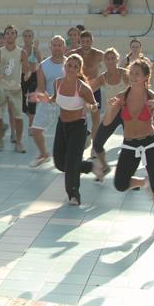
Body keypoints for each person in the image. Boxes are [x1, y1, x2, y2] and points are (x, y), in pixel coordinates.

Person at [102, 60, 154, 234]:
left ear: (146, 77)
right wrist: (112, 108)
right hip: (130, 145)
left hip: (150, 143)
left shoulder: (153, 97)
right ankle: (144, 182)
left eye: (137, 74)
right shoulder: (122, 97)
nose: (133, 77)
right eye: (131, 73)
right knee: (120, 184)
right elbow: (107, 122)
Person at [40, 53, 97, 206]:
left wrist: (91, 106)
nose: (71, 68)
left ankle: (74, 194)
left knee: (71, 163)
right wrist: (47, 99)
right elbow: (55, 99)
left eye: (75, 66)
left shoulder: (83, 88)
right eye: (69, 65)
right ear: (64, 67)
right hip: (62, 124)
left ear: (79, 70)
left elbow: (94, 105)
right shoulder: (57, 83)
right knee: (59, 163)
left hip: (78, 126)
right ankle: (90, 166)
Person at [89, 48, 129, 177]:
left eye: (113, 58)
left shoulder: (125, 74)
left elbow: (137, 88)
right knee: (97, 143)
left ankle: (129, 173)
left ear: (117, 59)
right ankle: (105, 166)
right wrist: (91, 103)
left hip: (127, 113)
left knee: (130, 144)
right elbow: (89, 90)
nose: (110, 61)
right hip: (111, 113)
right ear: (104, 61)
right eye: (107, 58)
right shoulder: (103, 77)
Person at [29, 35, 67, 168]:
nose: (57, 48)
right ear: (50, 47)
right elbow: (40, 87)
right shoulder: (43, 66)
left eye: (59, 45)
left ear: (64, 47)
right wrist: (40, 95)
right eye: (54, 45)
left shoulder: (70, 64)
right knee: (35, 130)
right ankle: (44, 154)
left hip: (66, 104)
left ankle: (69, 157)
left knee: (68, 133)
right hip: (49, 103)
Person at [0, 25, 28, 153]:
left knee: (18, 117)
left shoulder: (22, 52)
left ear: (16, 36)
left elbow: (27, 71)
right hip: (1, 88)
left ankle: (19, 142)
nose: (10, 35)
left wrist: (27, 76)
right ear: (4, 36)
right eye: (7, 33)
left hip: (16, 89)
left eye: (12, 33)